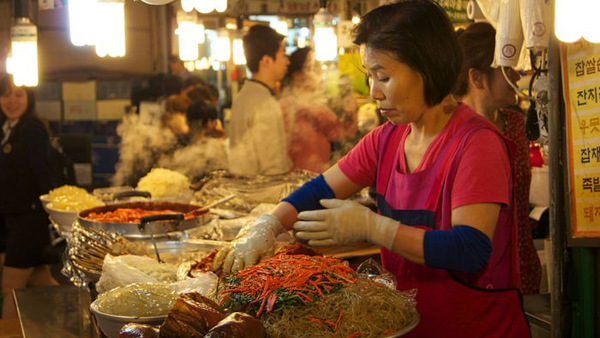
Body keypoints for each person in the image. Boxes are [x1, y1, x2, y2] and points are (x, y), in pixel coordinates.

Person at [213, 1, 530, 337]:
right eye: (370, 76)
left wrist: (374, 228)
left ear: (428, 67)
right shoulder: (387, 139)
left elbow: (470, 249)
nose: (374, 91)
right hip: (411, 326)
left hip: (477, 329)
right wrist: (269, 224)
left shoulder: (476, 143)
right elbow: (321, 190)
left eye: (384, 76)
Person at [454, 22, 541, 295]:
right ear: (477, 78)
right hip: (476, 271)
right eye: (508, 69)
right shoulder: (453, 131)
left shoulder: (515, 123)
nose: (517, 76)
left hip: (522, 262)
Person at [0, 74, 59, 318]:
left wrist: (52, 214)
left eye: (19, 95)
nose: (12, 101)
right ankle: (70, 320)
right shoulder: (6, 129)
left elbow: (43, 172)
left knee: (11, 286)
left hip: (29, 218)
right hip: (10, 218)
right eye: (5, 94)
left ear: (29, 98)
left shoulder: (32, 129)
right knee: (40, 280)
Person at [280, 47, 357, 173]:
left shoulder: (284, 103)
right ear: (298, 76)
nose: (320, 73)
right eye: (313, 68)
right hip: (311, 179)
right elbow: (343, 134)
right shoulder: (313, 109)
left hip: (294, 178)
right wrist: (351, 111)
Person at [227, 24, 291, 176]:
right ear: (266, 61)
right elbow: (274, 167)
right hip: (262, 193)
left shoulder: (242, 97)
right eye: (283, 55)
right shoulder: (266, 104)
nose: (287, 61)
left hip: (242, 188)